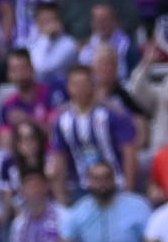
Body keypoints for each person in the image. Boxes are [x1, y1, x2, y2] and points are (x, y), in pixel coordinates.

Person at [49, 65, 137, 203]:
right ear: (69, 88)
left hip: (116, 184)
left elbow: (129, 153)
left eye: (84, 83)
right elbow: (59, 158)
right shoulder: (62, 120)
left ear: (92, 85)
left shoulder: (113, 114)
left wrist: (128, 189)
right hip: (81, 187)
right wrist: (60, 194)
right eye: (76, 84)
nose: (80, 89)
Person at [59, 161, 153, 242]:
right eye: (96, 179)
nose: (102, 184)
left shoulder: (138, 206)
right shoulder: (79, 210)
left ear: (114, 179)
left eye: (106, 177)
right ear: (89, 182)